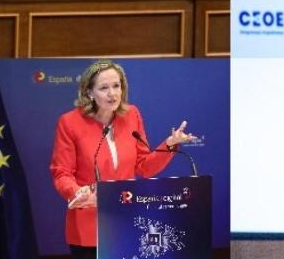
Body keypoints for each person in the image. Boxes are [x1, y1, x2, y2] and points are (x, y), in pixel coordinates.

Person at [49, 59, 197, 259]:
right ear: (89, 92)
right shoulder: (70, 122)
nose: (113, 93)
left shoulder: (131, 115)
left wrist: (170, 144)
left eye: (116, 86)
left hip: (126, 221)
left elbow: (144, 167)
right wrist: (77, 193)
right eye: (104, 88)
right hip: (89, 224)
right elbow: (62, 173)